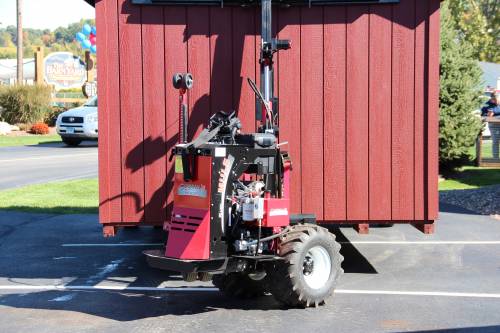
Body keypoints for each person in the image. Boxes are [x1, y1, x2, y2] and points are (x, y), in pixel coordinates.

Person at [483, 93, 500, 159]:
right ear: (491, 99)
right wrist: (488, 115)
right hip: (493, 125)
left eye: (497, 100)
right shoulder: (488, 104)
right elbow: (483, 114)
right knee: (495, 141)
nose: (496, 102)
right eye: (494, 100)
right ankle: (495, 159)